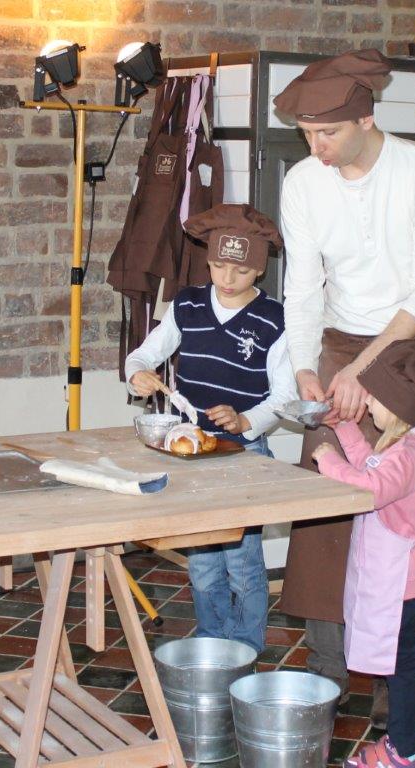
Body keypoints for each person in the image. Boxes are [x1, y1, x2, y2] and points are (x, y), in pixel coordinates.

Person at [273, 48, 415, 723]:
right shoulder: (303, 182)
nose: (315, 148)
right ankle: (329, 663)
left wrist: (364, 371)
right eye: (306, 134)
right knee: (328, 503)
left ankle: (395, 672)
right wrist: (306, 365)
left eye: (327, 133)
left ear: (365, 119)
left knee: (407, 511)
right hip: (339, 345)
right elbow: (302, 286)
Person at [124, 203, 296, 653]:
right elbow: (144, 354)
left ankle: (245, 648)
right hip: (192, 450)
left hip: (243, 454)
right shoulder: (188, 305)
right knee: (201, 563)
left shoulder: (275, 320)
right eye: (219, 266)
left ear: (259, 270)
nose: (227, 278)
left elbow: (283, 397)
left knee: (242, 563)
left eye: (240, 270)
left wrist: (245, 420)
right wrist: (137, 372)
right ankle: (211, 645)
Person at [312, 340, 415, 767]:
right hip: (402, 582)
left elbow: (370, 488)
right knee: (400, 663)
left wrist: (328, 461)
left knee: (397, 668)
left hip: (396, 586)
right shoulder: (412, 446)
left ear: (399, 406)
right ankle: (412, 734)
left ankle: (402, 750)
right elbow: (371, 466)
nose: (366, 403)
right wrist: (344, 430)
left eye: (374, 397)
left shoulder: (405, 457)